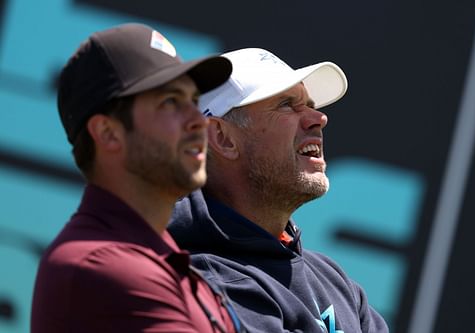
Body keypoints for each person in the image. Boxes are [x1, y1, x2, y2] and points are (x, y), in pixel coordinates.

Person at [31, 23, 244, 333]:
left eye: (194, 101)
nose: (199, 120)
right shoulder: (102, 266)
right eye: (170, 102)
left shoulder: (159, 257)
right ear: (108, 133)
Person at [168, 48, 389, 332]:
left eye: (309, 104)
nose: (318, 118)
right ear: (223, 138)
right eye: (287, 104)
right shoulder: (206, 280)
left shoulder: (335, 280)